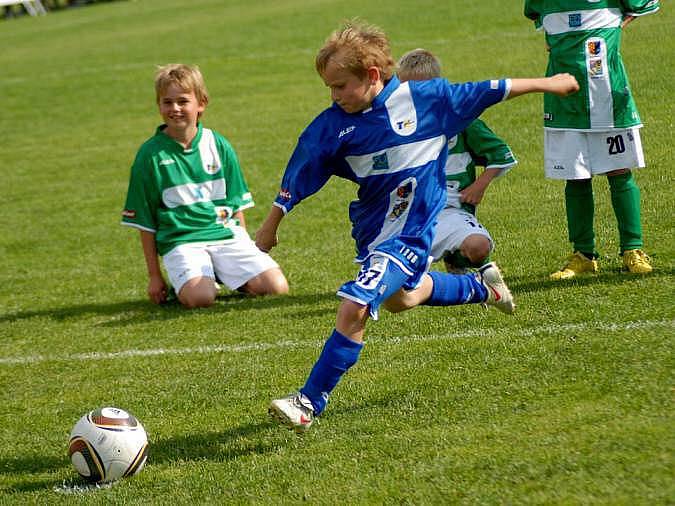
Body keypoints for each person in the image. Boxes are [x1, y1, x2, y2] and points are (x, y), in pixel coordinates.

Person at [255, 20, 578, 432]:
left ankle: (308, 402)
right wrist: (271, 224)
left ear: (372, 76)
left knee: (354, 306)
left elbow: (490, 88)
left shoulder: (428, 101)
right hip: (373, 232)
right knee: (402, 299)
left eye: (340, 86)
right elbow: (300, 172)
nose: (334, 96)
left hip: (410, 235)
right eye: (329, 89)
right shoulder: (333, 124)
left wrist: (550, 83)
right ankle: (483, 289)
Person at [121, 64, 288, 309]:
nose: (175, 109)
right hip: (182, 241)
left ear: (201, 103)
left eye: (182, 101)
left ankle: (222, 272)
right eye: (167, 102)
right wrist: (154, 277)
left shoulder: (218, 145)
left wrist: (244, 247)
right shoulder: (149, 156)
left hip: (225, 236)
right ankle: (198, 280)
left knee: (277, 288)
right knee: (201, 298)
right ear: (159, 105)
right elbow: (144, 222)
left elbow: (236, 206)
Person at [524, 0, 659, 279]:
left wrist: (610, 31)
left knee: (619, 171)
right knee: (575, 176)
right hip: (564, 103)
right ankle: (583, 254)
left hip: (608, 97)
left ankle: (632, 249)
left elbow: (643, 3)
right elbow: (536, 16)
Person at [397, 48, 517, 273]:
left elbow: (501, 153)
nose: (415, 95)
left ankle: (459, 261)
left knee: (479, 247)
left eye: (422, 89)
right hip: (408, 212)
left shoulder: (461, 118)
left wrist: (479, 186)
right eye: (407, 89)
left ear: (437, 85)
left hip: (452, 207)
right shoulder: (396, 121)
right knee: (401, 280)